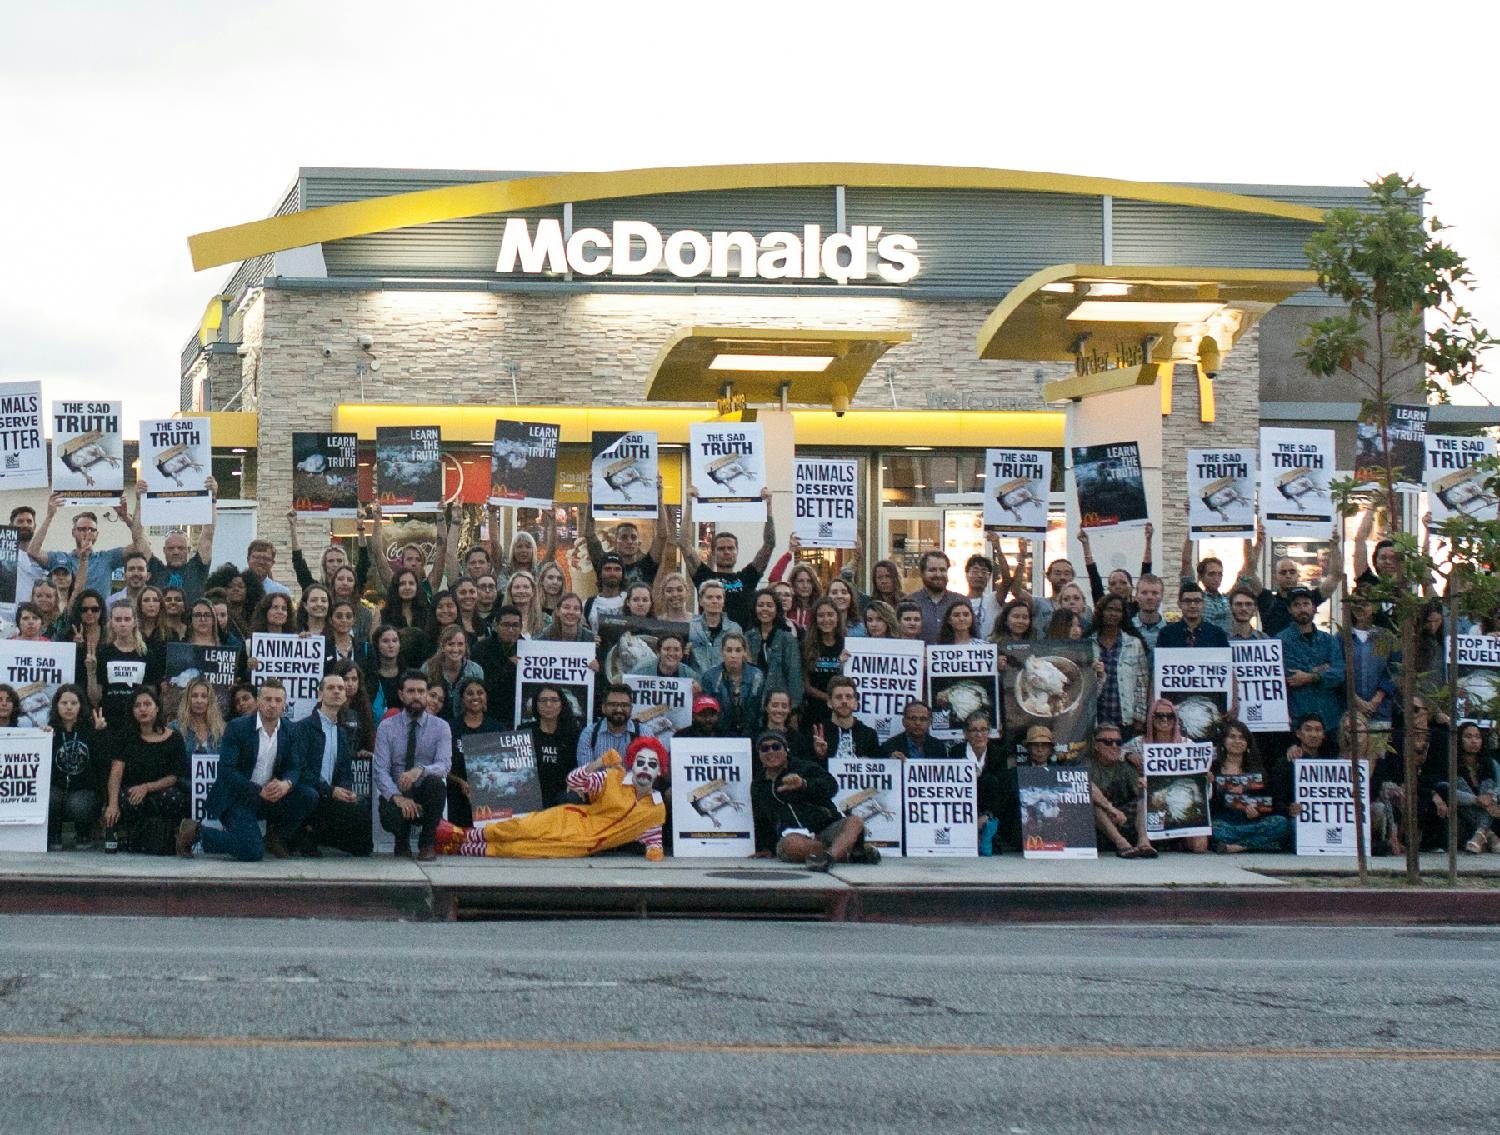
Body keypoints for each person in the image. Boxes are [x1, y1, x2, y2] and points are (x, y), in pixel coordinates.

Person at [436, 736, 668, 859]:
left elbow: (652, 837)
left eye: (652, 764)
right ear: (632, 764)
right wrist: (598, 764)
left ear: (660, 771)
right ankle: (461, 835)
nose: (645, 768)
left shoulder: (656, 809)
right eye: (640, 762)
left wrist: (654, 850)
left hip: (580, 845)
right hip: (568, 820)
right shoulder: (612, 778)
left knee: (520, 850)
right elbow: (574, 782)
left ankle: (459, 849)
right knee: (519, 828)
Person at [176, 679, 317, 861]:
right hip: (237, 798)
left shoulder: (290, 729)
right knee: (252, 851)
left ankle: (276, 837)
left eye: (277, 700)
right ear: (258, 701)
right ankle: (197, 832)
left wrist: (286, 784)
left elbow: (294, 766)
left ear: (284, 704)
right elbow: (226, 772)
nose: (272, 705)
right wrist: (258, 791)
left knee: (309, 795)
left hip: (271, 796)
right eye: (267, 699)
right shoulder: (237, 727)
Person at [751, 728, 875, 870]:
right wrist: (766, 847)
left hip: (826, 828)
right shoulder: (758, 784)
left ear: (786, 750)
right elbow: (762, 820)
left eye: (776, 747)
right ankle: (847, 852)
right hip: (794, 836)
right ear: (759, 754)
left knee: (856, 822)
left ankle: (830, 857)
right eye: (765, 748)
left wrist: (804, 784)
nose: (771, 752)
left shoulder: (805, 767)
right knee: (790, 845)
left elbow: (831, 786)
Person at [370, 670, 452, 860]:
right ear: (401, 694)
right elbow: (380, 770)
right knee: (392, 812)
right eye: (411, 691)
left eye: (421, 691)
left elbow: (444, 765)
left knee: (436, 785)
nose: (417, 696)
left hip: (424, 789)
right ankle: (402, 841)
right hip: (396, 790)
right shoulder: (387, 727)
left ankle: (427, 843)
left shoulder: (441, 727)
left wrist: (420, 771)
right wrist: (397, 797)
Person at [290, 672, 374, 857]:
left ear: (345, 696)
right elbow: (299, 770)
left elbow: (344, 771)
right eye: (330, 688)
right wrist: (330, 791)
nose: (336, 691)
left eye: (341, 688)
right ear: (320, 695)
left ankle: (313, 836)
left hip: (330, 797)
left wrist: (345, 791)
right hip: (308, 795)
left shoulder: (341, 733)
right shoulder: (303, 728)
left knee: (364, 846)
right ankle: (298, 835)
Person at [103, 686, 190, 854]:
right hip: (133, 791)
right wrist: (112, 804)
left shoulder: (174, 737)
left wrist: (147, 787)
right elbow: (116, 772)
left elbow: (174, 776)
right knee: (125, 799)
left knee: (174, 798)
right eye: (137, 705)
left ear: (157, 708)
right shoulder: (125, 736)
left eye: (147, 704)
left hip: (161, 790)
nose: (142, 709)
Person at [680, 486, 775, 628]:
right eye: (721, 549)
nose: (726, 552)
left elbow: (769, 544)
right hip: (711, 644)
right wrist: (688, 505)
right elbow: (684, 544)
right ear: (713, 552)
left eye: (730, 548)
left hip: (741, 645)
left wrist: (768, 506)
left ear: (737, 551)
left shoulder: (747, 577)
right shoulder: (705, 577)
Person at [27, 489, 149, 597]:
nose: (87, 532)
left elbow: (142, 546)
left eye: (92, 529)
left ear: (97, 534)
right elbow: (33, 551)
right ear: (73, 532)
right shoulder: (60, 559)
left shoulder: (107, 558)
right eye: (82, 529)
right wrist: (50, 516)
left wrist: (125, 516)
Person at [1242, 525, 1340, 637]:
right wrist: (1253, 540)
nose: (1288, 575)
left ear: (1298, 575)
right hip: (1277, 652)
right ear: (1275, 577)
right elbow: (1249, 572)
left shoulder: (1309, 598)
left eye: (1292, 572)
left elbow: (1335, 577)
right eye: (1283, 572)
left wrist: (1334, 545)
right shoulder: (1267, 599)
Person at [1210, 719, 1290, 853]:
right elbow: (1210, 806)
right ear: (1223, 741)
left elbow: (1269, 802)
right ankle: (1258, 842)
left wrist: (1257, 812)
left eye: (1242, 738)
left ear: (1247, 744)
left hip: (1252, 822)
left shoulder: (1257, 771)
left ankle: (1239, 846)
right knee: (1214, 830)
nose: (1237, 741)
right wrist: (1211, 785)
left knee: (1281, 823)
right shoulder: (1213, 769)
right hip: (1225, 823)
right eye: (1232, 737)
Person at [1277, 586, 1345, 733]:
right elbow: (1290, 676)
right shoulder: (1280, 641)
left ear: (1314, 608)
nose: (1302, 609)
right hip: (1300, 721)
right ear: (1289, 610)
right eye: (1296, 605)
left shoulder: (1329, 640)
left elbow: (1339, 674)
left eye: (1306, 604)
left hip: (1330, 720)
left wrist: (1309, 676)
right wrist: (1324, 668)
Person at [47, 684, 106, 849]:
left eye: (74, 703)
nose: (68, 707)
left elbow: (102, 762)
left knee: (78, 805)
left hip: (83, 790)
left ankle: (83, 832)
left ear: (81, 706)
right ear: (56, 706)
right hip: (57, 788)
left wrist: (100, 733)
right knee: (50, 798)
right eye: (64, 703)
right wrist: (43, 739)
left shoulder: (91, 729)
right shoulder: (50, 731)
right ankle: (53, 833)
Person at [1086, 723, 1156, 858]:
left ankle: (1144, 842)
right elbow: (1087, 786)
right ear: (1096, 745)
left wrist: (1143, 786)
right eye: (1108, 742)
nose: (1114, 746)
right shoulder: (1087, 764)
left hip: (1123, 819)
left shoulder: (1125, 767)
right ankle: (1122, 844)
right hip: (1099, 821)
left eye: (1118, 742)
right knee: (1091, 804)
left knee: (1143, 798)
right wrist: (1111, 809)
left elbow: (1138, 790)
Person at [584, 477, 667, 587]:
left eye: (633, 537)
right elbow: (589, 534)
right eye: (624, 537)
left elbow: (662, 535)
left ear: (639, 543)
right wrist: (592, 499)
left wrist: (658, 500)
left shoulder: (647, 566)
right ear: (615, 542)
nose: (629, 541)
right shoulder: (606, 565)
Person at [145, 483, 218, 602]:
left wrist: (213, 498)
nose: (176, 552)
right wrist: (139, 501)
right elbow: (138, 538)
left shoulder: (198, 568)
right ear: (164, 550)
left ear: (189, 550)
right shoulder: (156, 570)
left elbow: (208, 533)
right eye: (171, 548)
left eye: (181, 548)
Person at [94, 603, 160, 733]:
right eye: (118, 620)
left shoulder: (147, 654)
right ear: (111, 623)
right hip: (110, 721)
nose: (123, 624)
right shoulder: (103, 653)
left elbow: (152, 693)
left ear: (134, 622)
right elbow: (96, 696)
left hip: (139, 722)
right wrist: (91, 671)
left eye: (127, 619)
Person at [1090, 593, 1149, 736]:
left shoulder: (1134, 644)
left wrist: (1140, 716)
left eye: (1118, 610)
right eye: (1109, 609)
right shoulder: (1088, 643)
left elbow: (1142, 683)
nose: (1113, 614)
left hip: (1125, 719)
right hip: (1095, 719)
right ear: (1101, 611)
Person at [951, 711, 1009, 855]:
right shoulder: (955, 752)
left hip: (989, 806)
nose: (979, 735)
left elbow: (1003, 789)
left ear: (989, 732)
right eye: (974, 730)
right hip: (962, 805)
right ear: (965, 733)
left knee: (991, 780)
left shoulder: (998, 753)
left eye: (983, 730)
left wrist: (987, 815)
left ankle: (988, 828)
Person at [1443, 722, 1500, 854]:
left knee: (1488, 785)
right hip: (1464, 811)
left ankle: (1480, 834)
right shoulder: (1451, 762)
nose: (1473, 741)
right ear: (1459, 739)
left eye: (1477, 737)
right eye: (1468, 736)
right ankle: (1488, 834)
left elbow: (1499, 787)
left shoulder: (1491, 763)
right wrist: (1475, 799)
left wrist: (1492, 797)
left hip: (1491, 808)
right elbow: (1446, 789)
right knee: (1458, 782)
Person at [523, 683, 582, 805]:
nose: (548, 705)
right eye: (543, 700)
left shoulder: (573, 734)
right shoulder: (524, 732)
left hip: (563, 795)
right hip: (529, 795)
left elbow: (579, 767)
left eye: (554, 700)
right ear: (536, 705)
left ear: (562, 704)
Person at [745, 588, 803, 713]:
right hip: (752, 704)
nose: (764, 609)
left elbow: (794, 675)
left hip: (779, 706)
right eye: (760, 605)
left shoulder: (787, 639)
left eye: (770, 605)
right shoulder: (747, 638)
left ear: (777, 610)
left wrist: (793, 708)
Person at [699, 632, 766, 738]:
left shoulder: (757, 675)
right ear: (722, 652)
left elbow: (760, 711)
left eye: (738, 650)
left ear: (744, 653)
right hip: (719, 735)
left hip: (752, 735)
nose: (733, 655)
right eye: (729, 650)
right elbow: (707, 712)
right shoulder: (710, 676)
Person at [798, 597, 845, 735]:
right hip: (814, 710)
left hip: (841, 710)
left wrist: (841, 666)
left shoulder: (846, 644)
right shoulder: (806, 645)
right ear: (815, 619)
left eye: (830, 615)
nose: (826, 620)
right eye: (821, 616)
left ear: (837, 618)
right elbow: (806, 685)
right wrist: (828, 699)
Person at [810, 676, 881, 765]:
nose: (844, 701)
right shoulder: (817, 734)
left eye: (848, 697)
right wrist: (820, 756)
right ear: (829, 702)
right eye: (839, 697)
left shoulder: (869, 735)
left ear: (856, 703)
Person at [472, 605, 523, 727]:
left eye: (515, 625)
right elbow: (482, 686)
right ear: (496, 626)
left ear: (521, 627)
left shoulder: (528, 649)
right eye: (506, 625)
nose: (511, 630)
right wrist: (509, 666)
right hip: (489, 714)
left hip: (518, 713)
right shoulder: (481, 649)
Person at [421, 624, 483, 723]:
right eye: (451, 644)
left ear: (465, 646)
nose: (455, 649)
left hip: (464, 724)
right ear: (442, 646)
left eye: (460, 644)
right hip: (433, 722)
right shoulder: (427, 668)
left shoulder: (476, 670)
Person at [903, 551, 967, 644]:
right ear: (922, 573)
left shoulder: (961, 601)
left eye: (942, 570)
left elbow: (973, 635)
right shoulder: (908, 602)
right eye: (932, 570)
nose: (938, 574)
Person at [577, 683, 641, 766]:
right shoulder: (589, 734)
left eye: (624, 705)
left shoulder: (643, 733)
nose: (619, 709)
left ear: (631, 708)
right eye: (613, 705)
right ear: (604, 708)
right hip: (598, 779)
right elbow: (586, 774)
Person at [688, 579, 741, 673]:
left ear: (724, 601)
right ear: (700, 601)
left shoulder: (735, 629)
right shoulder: (691, 627)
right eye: (709, 597)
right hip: (697, 684)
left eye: (719, 597)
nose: (714, 601)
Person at [1156, 584, 1229, 649]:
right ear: (1179, 604)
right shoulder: (1166, 634)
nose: (1192, 605)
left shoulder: (1217, 634)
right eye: (1187, 601)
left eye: (1197, 601)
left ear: (1203, 604)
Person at [879, 699, 947, 759]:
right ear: (904, 722)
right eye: (913, 718)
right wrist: (890, 762)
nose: (917, 723)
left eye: (923, 719)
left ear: (930, 722)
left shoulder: (938, 747)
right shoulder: (889, 747)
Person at [585, 552, 627, 630]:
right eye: (607, 569)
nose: (612, 573)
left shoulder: (630, 600)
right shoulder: (587, 605)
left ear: (623, 574)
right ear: (600, 573)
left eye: (617, 569)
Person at [1129, 574, 1167, 650]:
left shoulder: (1170, 632)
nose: (1149, 597)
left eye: (1155, 593)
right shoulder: (1126, 629)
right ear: (1136, 596)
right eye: (1144, 593)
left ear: (1162, 596)